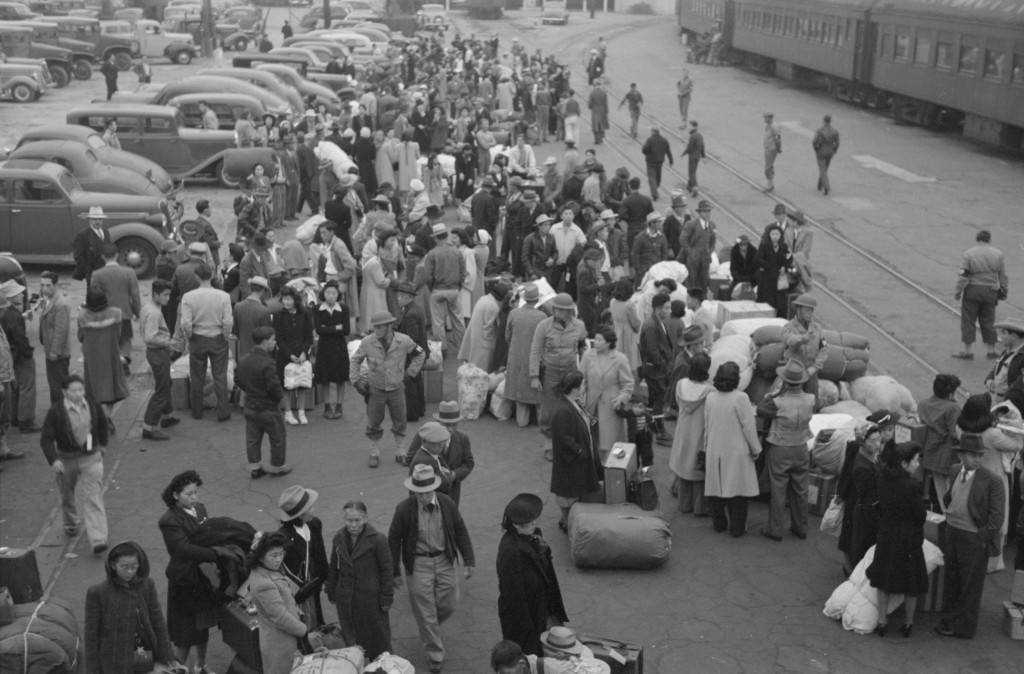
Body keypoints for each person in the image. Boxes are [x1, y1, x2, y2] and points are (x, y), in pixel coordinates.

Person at [388, 464, 475, 673]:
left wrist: (469, 560)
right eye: (418, 493)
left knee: (450, 603)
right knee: (425, 612)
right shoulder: (404, 509)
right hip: (418, 564)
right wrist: (395, 571)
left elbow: (461, 530)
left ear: (434, 489)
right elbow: (393, 540)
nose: (422, 497)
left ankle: (429, 630)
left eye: (426, 492)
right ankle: (435, 652)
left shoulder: (447, 503)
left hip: (445, 560)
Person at [935, 434, 1005, 639]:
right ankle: (951, 619)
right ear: (962, 455)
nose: (977, 459)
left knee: (970, 585)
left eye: (979, 455)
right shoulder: (956, 470)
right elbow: (950, 496)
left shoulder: (992, 480)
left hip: (973, 538)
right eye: (973, 455)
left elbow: (997, 516)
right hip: (952, 532)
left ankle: (964, 628)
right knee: (953, 580)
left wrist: (982, 537)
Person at [84, 541, 182, 674]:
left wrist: (168, 656)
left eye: (134, 566)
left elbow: (158, 622)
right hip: (113, 655)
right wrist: (93, 670)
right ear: (113, 565)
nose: (129, 571)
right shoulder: (97, 593)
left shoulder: (147, 585)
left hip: (141, 649)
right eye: (124, 567)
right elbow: (91, 637)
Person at [40, 373, 110, 553]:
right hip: (66, 459)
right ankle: (71, 523)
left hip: (90, 457)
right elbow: (46, 438)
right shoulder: (56, 411)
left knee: (93, 496)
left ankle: (98, 539)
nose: (78, 394)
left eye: (81, 389)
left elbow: (101, 424)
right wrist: (54, 460)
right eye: (74, 391)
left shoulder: (92, 404)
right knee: (67, 495)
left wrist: (101, 445)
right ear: (64, 392)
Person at [157, 470, 220, 672]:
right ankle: (178, 670)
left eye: (196, 493)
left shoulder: (200, 509)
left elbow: (209, 533)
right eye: (188, 494)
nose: (194, 498)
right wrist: (214, 553)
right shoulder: (169, 520)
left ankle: (201, 665)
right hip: (184, 580)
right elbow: (182, 549)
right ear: (176, 495)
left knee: (202, 626)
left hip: (201, 578)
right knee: (184, 634)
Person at [865, 442, 928, 638]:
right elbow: (920, 515)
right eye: (915, 460)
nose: (918, 464)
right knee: (911, 583)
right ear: (904, 463)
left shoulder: (883, 478)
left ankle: (882, 620)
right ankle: (908, 623)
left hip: (887, 534)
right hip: (908, 538)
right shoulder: (913, 486)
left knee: (882, 578)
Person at [350, 310, 426, 467]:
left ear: (389, 326)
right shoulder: (367, 342)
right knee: (373, 422)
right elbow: (355, 360)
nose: (376, 330)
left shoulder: (404, 341)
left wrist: (410, 373)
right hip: (375, 389)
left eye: (380, 327)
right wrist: (356, 381)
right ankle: (374, 453)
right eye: (375, 327)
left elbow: (420, 354)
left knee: (400, 420)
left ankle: (400, 451)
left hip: (397, 389)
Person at [496, 493, 569, 657]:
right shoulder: (510, 551)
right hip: (523, 617)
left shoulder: (533, 536)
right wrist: (527, 627)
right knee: (526, 656)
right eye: (529, 521)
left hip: (539, 607)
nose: (534, 523)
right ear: (515, 525)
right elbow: (513, 595)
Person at [956, 393, 1022, 572]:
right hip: (995, 479)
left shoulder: (960, 427)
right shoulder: (992, 434)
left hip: (969, 477)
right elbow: (1017, 445)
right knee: (996, 518)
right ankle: (993, 562)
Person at [246, 531, 325, 674]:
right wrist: (303, 630)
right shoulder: (264, 583)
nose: (279, 559)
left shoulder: (266, 570)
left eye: (281, 554)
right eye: (274, 555)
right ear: (260, 557)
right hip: (280, 645)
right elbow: (280, 618)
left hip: (284, 638)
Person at [327, 500, 393, 661]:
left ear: (365, 519)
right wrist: (331, 590)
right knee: (353, 641)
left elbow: (387, 571)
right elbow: (334, 566)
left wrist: (386, 598)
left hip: (371, 601)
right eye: (349, 520)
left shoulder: (378, 540)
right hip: (346, 599)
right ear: (344, 519)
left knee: (378, 640)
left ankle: (382, 668)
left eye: (357, 520)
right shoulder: (339, 538)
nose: (353, 525)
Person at [757, 360, 815, 541]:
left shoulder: (776, 402)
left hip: (780, 448)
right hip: (801, 447)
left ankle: (775, 530)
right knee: (800, 489)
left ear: (785, 381)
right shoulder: (810, 400)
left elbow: (760, 410)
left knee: (778, 488)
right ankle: (801, 528)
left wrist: (773, 393)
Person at [703, 362, 762, 537]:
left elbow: (707, 425)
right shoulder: (741, 398)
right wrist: (756, 448)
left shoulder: (711, 397)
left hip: (715, 448)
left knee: (716, 490)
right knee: (738, 493)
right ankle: (737, 528)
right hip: (737, 452)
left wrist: (706, 447)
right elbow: (748, 427)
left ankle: (719, 524)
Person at [530, 293, 588, 456]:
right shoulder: (543, 326)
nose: (558, 312)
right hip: (550, 372)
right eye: (556, 309)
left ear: (570, 312)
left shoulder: (579, 326)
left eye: (562, 310)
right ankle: (550, 444)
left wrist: (583, 373)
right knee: (548, 411)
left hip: (570, 373)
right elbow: (535, 350)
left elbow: (583, 348)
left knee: (571, 408)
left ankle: (569, 442)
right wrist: (534, 376)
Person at [179, 263, 233, 422]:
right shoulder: (223, 296)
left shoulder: (188, 297)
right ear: (212, 276)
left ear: (197, 277)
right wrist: (225, 335)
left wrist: (190, 337)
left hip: (198, 338)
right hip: (218, 338)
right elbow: (228, 321)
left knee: (196, 376)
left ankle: (197, 411)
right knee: (220, 376)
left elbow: (186, 323)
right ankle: (223, 411)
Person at [550, 371, 603, 532]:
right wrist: (580, 451)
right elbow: (564, 439)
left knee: (572, 492)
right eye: (582, 385)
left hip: (577, 458)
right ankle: (567, 523)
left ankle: (568, 521)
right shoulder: (563, 411)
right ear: (574, 388)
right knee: (568, 494)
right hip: (571, 461)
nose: (584, 387)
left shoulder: (572, 402)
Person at [236, 326, 292, 478]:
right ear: (265, 341)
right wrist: (279, 397)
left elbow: (238, 380)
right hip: (268, 407)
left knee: (253, 438)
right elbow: (273, 386)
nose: (275, 343)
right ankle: (278, 466)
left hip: (250, 405)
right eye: (273, 340)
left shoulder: (243, 360)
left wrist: (249, 390)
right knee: (277, 436)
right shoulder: (267, 362)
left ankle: (255, 467)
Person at [277, 486, 328, 631]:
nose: (313, 510)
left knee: (317, 618)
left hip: (315, 583)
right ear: (299, 515)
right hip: (299, 592)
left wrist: (326, 578)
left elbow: (320, 553)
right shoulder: (284, 537)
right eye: (309, 508)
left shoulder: (315, 524)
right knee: (305, 625)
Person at [953, 230, 1008, 360]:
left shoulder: (969, 253)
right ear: (989, 240)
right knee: (989, 320)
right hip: (991, 291)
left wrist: (957, 292)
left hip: (972, 290)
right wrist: (1003, 291)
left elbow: (963, 276)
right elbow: (1003, 276)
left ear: (978, 240)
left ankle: (967, 350)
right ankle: (992, 350)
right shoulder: (998, 254)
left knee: (968, 320)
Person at [835, 421, 882, 572]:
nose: (877, 444)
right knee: (854, 538)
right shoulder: (859, 460)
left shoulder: (874, 456)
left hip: (863, 502)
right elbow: (846, 473)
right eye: (873, 441)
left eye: (878, 440)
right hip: (857, 500)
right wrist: (841, 495)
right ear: (862, 442)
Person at [579, 325, 634, 456]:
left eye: (599, 340)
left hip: (611, 406)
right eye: (595, 339)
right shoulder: (587, 355)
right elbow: (581, 380)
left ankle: (611, 470)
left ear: (609, 342)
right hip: (591, 405)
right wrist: (580, 401)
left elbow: (628, 384)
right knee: (591, 439)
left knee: (611, 442)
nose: (595, 343)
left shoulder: (620, 359)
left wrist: (622, 398)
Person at [77, 288, 128, 427]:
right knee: (112, 389)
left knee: (93, 391)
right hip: (110, 354)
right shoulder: (116, 313)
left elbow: (80, 337)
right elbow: (118, 334)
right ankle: (107, 417)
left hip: (92, 357)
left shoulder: (83, 316)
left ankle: (97, 420)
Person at [406, 403, 476, 503]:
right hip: (426, 495)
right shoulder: (425, 434)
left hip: (452, 494)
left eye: (454, 425)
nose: (450, 429)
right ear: (438, 422)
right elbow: (410, 459)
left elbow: (469, 464)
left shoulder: (463, 439)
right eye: (446, 425)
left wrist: (454, 475)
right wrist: (430, 472)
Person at [670, 352, 712, 516]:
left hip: (683, 431)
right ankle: (700, 508)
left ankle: (684, 504)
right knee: (698, 469)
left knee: (683, 468)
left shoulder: (680, 385)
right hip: (700, 433)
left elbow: (679, 404)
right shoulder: (710, 391)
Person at [90, 243, 141, 367]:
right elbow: (135, 295)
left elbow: (94, 296)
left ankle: (111, 363)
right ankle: (124, 361)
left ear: (103, 256)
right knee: (125, 339)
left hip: (105, 314)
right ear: (117, 255)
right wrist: (137, 312)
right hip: (124, 313)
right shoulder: (129, 272)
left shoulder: (97, 274)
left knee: (108, 341)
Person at [140, 279, 179, 441]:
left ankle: (167, 416)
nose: (167, 298)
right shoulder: (154, 313)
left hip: (156, 353)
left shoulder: (150, 307)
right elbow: (150, 337)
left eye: (169, 295)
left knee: (166, 383)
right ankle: (149, 427)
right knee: (162, 391)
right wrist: (168, 344)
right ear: (155, 294)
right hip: (158, 353)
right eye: (164, 295)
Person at [918, 374, 963, 512]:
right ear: (950, 393)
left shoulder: (923, 404)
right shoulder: (952, 408)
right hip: (949, 456)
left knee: (940, 492)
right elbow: (956, 432)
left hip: (931, 454)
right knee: (954, 492)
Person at [503, 284, 546, 428]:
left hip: (515, 355)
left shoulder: (514, 313)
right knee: (537, 394)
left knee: (519, 393)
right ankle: (542, 422)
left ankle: (522, 420)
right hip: (534, 359)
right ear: (537, 299)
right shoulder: (542, 316)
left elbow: (507, 336)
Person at [421, 224, 467, 354]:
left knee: (438, 322)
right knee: (458, 319)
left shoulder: (432, 254)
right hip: (454, 290)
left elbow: (428, 276)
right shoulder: (457, 252)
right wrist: (458, 286)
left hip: (438, 290)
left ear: (436, 238)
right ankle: (463, 347)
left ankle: (442, 348)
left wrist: (432, 288)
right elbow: (463, 272)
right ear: (446, 236)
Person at [0, 280, 38, 433]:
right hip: (21, 355)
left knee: (16, 388)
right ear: (11, 296)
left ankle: (15, 416)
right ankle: (26, 420)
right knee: (27, 387)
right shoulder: (13, 315)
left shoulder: (6, 313)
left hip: (12, 356)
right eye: (18, 292)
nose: (22, 294)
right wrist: (28, 352)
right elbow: (19, 338)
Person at [273, 286, 314, 426]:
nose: (286, 302)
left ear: (295, 300)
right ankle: (288, 412)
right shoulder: (278, 315)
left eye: (289, 299)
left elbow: (309, 336)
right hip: (285, 355)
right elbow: (279, 338)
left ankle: (301, 412)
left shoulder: (305, 313)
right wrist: (289, 354)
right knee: (286, 384)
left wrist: (304, 352)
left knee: (302, 383)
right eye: (284, 299)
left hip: (302, 354)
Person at [639, 294, 674, 444]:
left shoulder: (657, 322)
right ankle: (660, 431)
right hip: (655, 370)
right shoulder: (651, 326)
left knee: (654, 400)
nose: (669, 310)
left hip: (656, 369)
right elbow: (652, 351)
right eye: (667, 308)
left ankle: (650, 425)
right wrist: (663, 365)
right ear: (658, 309)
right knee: (659, 399)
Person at [313, 281, 350, 420]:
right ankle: (327, 405)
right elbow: (319, 330)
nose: (330, 296)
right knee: (325, 378)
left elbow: (346, 330)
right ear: (323, 294)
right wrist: (336, 328)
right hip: (324, 346)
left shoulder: (344, 308)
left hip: (340, 346)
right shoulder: (317, 309)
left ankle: (339, 405)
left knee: (341, 378)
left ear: (338, 295)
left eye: (334, 293)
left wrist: (327, 328)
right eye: (328, 293)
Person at [781, 293, 828, 395]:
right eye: (807, 310)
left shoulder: (817, 329)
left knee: (812, 401)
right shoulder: (789, 327)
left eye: (812, 310)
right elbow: (789, 340)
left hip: (810, 372)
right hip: (793, 372)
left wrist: (814, 368)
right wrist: (802, 339)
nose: (810, 313)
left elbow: (824, 349)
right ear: (798, 310)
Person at [38, 271, 72, 404]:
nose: (44, 289)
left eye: (48, 285)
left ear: (55, 285)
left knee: (58, 386)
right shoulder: (47, 298)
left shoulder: (60, 304)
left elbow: (61, 330)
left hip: (58, 353)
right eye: (42, 285)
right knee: (54, 384)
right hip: (50, 349)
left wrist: (54, 351)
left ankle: (61, 415)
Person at [395, 281, 428, 422]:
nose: (398, 299)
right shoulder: (414, 309)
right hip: (418, 352)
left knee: (409, 382)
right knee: (416, 381)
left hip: (413, 354)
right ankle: (420, 409)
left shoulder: (410, 314)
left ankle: (412, 413)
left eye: (401, 296)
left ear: (409, 297)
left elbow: (412, 338)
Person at [458, 280, 507, 372]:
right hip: (482, 341)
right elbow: (488, 329)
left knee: (472, 362)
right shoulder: (494, 307)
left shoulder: (484, 298)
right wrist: (493, 344)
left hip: (474, 332)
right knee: (480, 369)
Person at [677, 200, 716, 292]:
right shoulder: (691, 224)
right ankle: (690, 298)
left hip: (705, 257)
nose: (707, 214)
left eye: (709, 211)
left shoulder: (711, 225)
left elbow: (713, 240)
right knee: (691, 279)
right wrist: (690, 252)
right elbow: (682, 239)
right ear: (699, 213)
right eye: (705, 211)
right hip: (693, 256)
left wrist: (709, 251)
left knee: (703, 280)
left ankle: (701, 299)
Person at [233, 277, 272, 361]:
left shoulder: (238, 307)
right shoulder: (264, 311)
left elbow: (235, 331)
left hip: (243, 353)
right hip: (260, 356)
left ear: (250, 288)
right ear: (263, 291)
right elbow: (267, 336)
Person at [72, 206, 113, 284]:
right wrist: (88, 272)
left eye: (100, 219)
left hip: (106, 271)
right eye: (94, 219)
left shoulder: (106, 232)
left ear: (103, 220)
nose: (97, 222)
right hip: (93, 274)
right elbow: (78, 257)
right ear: (89, 220)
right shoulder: (82, 235)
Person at [986, 318, 1024, 402]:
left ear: (1013, 336)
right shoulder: (1007, 349)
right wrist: (990, 378)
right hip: (998, 397)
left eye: (1003, 333)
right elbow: (998, 365)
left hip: (1011, 402)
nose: (1000, 337)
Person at [630, 212, 668, 291]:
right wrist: (639, 270)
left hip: (657, 271)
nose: (661, 224)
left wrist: (661, 266)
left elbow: (664, 252)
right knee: (640, 291)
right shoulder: (640, 237)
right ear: (652, 223)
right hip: (643, 271)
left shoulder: (662, 236)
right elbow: (635, 254)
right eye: (659, 222)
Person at [640, 128, 672, 201]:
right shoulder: (664, 140)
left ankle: (655, 194)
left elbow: (644, 150)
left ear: (652, 132)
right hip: (660, 162)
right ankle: (655, 188)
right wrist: (671, 160)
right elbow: (668, 150)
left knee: (651, 178)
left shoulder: (650, 140)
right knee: (658, 177)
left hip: (650, 162)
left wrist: (645, 150)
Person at [812, 114, 840, 195]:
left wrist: (816, 149)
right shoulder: (835, 131)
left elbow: (814, 141)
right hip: (830, 152)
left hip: (821, 151)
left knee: (822, 169)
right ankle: (819, 185)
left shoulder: (820, 131)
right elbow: (837, 143)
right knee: (825, 168)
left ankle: (826, 186)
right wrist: (834, 150)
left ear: (824, 121)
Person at [681, 120, 706, 197]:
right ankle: (689, 186)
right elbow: (702, 146)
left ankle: (695, 188)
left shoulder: (693, 136)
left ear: (694, 127)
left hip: (692, 156)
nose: (688, 128)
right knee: (693, 171)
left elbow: (690, 147)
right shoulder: (700, 135)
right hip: (697, 156)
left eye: (690, 126)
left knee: (691, 172)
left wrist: (684, 153)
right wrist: (703, 156)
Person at [762, 112, 782, 192]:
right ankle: (770, 184)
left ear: (770, 118)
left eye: (766, 117)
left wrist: (778, 148)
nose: (764, 119)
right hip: (768, 148)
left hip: (772, 148)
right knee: (768, 166)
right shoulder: (768, 126)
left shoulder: (774, 126)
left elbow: (778, 139)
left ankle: (770, 186)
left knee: (768, 167)